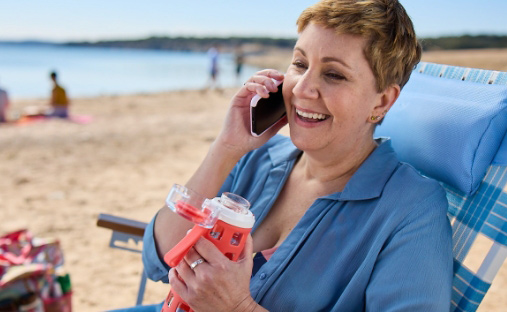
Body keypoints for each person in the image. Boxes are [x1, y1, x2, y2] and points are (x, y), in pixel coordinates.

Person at [135, 0, 452, 311]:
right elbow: (159, 259)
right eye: (300, 64)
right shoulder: (259, 158)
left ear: (382, 101)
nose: (302, 88)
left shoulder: (411, 209)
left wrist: (237, 307)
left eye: (334, 75)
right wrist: (225, 148)